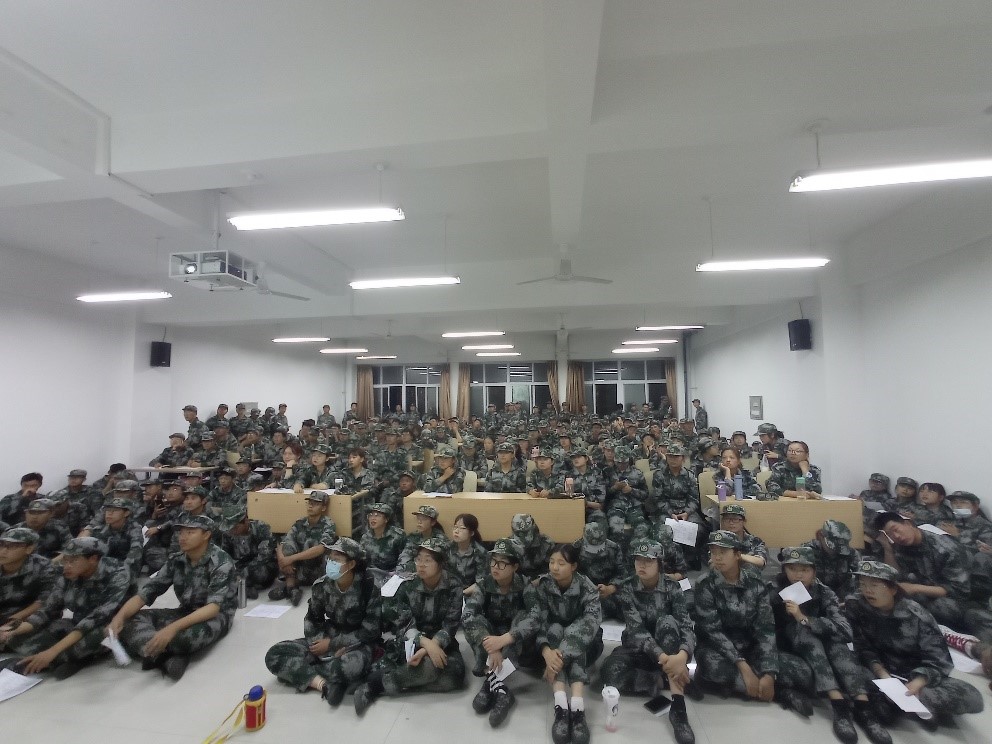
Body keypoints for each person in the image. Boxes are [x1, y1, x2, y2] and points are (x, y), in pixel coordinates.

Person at [769, 547, 892, 744]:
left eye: (804, 569)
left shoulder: (824, 593)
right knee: (806, 635)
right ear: (784, 570)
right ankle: (838, 704)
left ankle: (863, 707)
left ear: (814, 571)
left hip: (826, 651)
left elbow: (845, 631)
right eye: (792, 569)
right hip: (792, 652)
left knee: (836, 644)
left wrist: (805, 618)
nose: (798, 575)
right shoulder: (775, 592)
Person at [847, 560, 984, 730]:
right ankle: (895, 702)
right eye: (862, 584)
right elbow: (861, 646)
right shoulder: (856, 605)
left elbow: (938, 660)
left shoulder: (916, 615)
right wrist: (881, 673)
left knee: (973, 697)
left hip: (912, 673)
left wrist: (919, 681)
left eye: (874, 585)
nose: (867, 590)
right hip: (876, 670)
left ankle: (896, 702)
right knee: (845, 669)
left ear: (893, 589)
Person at [693, 530, 813, 715]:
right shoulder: (705, 584)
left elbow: (765, 629)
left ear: (737, 554)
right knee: (711, 666)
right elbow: (712, 631)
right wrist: (743, 666)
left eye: (723, 552)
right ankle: (778, 693)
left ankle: (750, 686)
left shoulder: (756, 584)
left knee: (803, 671)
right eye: (713, 552)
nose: (717, 557)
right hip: (719, 649)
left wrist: (769, 672)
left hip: (750, 647)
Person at [109, 514, 238, 681]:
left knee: (183, 639)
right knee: (128, 620)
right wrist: (119, 617)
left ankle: (154, 652)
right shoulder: (176, 560)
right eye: (181, 532)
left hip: (216, 616)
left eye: (190, 532)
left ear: (206, 535)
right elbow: (146, 593)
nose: (183, 537)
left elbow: (213, 608)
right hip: (185, 611)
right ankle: (166, 658)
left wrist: (172, 629)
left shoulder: (221, 562)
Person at [600, 538, 697, 744]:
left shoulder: (672, 587)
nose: (642, 565)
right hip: (640, 649)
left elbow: (686, 626)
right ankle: (664, 679)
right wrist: (664, 659)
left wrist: (683, 655)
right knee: (609, 672)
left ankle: (678, 708)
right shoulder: (628, 587)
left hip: (671, 648)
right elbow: (637, 630)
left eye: (649, 561)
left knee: (666, 623)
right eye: (638, 560)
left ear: (659, 564)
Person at [354, 537, 466, 714]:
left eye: (427, 560)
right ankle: (375, 685)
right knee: (430, 668)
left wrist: (434, 644)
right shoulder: (406, 583)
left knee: (455, 677)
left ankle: (395, 679)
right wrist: (425, 644)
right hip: (411, 641)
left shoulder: (454, 584)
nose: (421, 565)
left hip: (442, 642)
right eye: (418, 559)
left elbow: (451, 624)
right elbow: (404, 624)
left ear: (441, 563)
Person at [265, 537, 380, 707]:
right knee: (274, 655)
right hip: (327, 637)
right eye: (330, 558)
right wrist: (320, 646)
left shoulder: (368, 586)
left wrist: (334, 644)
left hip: (356, 643)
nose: (330, 563)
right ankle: (324, 683)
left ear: (351, 564)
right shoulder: (322, 585)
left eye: (336, 559)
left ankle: (304, 671)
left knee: (351, 667)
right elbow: (312, 620)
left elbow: (370, 631)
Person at [1, 537, 131, 679]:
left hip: (111, 626)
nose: (66, 565)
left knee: (88, 641)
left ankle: (44, 660)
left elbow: (94, 619)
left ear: (93, 559)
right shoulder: (67, 574)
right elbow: (48, 610)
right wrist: (11, 631)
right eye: (65, 560)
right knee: (17, 637)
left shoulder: (117, 573)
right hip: (76, 622)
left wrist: (52, 651)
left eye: (73, 560)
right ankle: (61, 659)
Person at [462, 537, 541, 728]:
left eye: (502, 563)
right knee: (476, 622)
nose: (495, 567)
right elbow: (468, 615)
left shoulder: (525, 585)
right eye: (493, 561)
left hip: (514, 640)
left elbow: (535, 617)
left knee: (522, 618)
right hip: (491, 638)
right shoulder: (484, 584)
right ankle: (502, 692)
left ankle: (490, 683)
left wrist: (506, 638)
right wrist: (492, 646)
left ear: (515, 567)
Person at [533, 543, 602, 744]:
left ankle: (578, 707)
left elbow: (590, 624)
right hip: (552, 642)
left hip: (587, 643)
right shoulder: (544, 585)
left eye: (561, 563)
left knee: (575, 634)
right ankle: (561, 706)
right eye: (551, 562)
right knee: (555, 629)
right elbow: (538, 621)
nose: (554, 567)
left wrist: (556, 660)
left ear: (573, 566)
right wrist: (546, 651)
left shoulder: (587, 587)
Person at [873, 510, 970, 630]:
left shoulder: (945, 548)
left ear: (907, 524)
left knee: (938, 606)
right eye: (889, 535)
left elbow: (958, 591)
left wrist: (914, 588)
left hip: (954, 601)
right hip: (923, 593)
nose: (896, 536)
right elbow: (895, 575)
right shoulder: (901, 545)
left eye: (896, 529)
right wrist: (888, 549)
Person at [269, 492, 337, 606]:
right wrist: (282, 559)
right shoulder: (300, 522)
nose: (310, 506)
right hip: (299, 567)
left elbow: (320, 549)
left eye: (316, 504)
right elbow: (284, 542)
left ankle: (292, 589)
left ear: (323, 508)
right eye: (310, 502)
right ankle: (291, 588)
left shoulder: (328, 524)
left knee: (314, 546)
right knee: (287, 547)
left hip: (317, 568)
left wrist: (290, 559)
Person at [652, 444, 707, 568]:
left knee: (698, 529)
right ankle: (671, 561)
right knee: (665, 531)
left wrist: (686, 512)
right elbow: (658, 499)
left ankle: (689, 558)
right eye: (670, 456)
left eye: (676, 457)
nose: (673, 459)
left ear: (683, 458)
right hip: (666, 510)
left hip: (686, 510)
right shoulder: (659, 475)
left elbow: (694, 499)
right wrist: (670, 512)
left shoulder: (689, 475)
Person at [0, 528, 58, 640]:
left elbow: (44, 600)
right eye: (1, 545)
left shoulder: (43, 567)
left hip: (26, 615)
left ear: (29, 549)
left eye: (12, 546)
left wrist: (12, 620)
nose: (3, 551)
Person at [216, 504, 277, 600]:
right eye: (230, 528)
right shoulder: (228, 533)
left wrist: (242, 573)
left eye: (235, 527)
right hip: (240, 565)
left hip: (261, 564)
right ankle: (243, 587)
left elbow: (265, 555)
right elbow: (225, 556)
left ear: (246, 521)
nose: (232, 531)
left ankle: (240, 586)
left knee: (260, 572)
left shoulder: (261, 527)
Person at [942, 490, 992, 601]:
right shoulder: (950, 523)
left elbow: (984, 552)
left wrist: (958, 536)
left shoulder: (985, 526)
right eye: (954, 502)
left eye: (963, 502)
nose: (958, 505)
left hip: (972, 569)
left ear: (976, 506)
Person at [572, 522, 625, 620]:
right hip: (583, 590)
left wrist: (612, 587)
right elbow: (572, 573)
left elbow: (622, 573)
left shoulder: (614, 548)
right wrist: (586, 587)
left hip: (607, 590)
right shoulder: (575, 548)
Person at [801, 520, 861, 600]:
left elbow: (861, 579)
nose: (836, 551)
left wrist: (850, 599)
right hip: (814, 598)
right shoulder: (806, 552)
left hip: (842, 598)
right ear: (821, 536)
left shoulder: (851, 554)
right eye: (832, 546)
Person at [332, 447, 376, 536]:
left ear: (362, 459)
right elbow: (338, 487)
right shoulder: (344, 472)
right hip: (346, 502)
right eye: (349, 458)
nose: (351, 460)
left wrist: (353, 491)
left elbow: (368, 491)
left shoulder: (369, 474)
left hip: (363, 503)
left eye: (354, 457)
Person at [359, 502, 407, 583]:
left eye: (377, 515)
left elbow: (405, 558)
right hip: (371, 575)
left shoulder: (397, 536)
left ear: (386, 519)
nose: (373, 518)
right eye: (370, 515)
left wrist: (396, 575)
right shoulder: (365, 537)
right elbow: (362, 559)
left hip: (392, 575)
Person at [395, 504, 448, 572]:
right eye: (418, 518)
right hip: (412, 571)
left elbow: (440, 565)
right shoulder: (413, 536)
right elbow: (405, 555)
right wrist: (399, 570)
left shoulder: (440, 540)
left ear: (433, 522)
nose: (419, 522)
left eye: (424, 519)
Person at [448, 513, 488, 594]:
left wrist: (462, 594)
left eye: (462, 528)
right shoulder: (446, 547)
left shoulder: (480, 552)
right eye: (455, 527)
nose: (456, 531)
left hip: (470, 592)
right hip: (448, 590)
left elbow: (481, 582)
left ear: (472, 533)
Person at [509, 513, 555, 580]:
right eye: (518, 533)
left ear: (533, 529)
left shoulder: (546, 544)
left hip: (540, 580)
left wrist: (540, 580)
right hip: (516, 581)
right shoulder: (509, 544)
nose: (522, 538)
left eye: (525, 533)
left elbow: (553, 570)